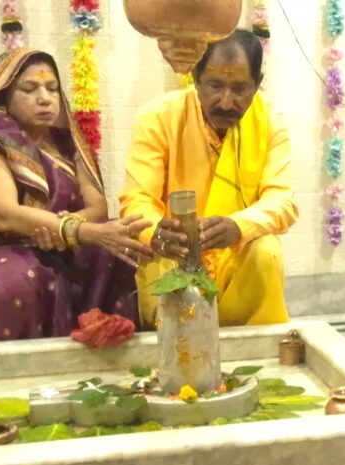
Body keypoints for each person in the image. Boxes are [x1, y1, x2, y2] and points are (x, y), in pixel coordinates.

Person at [0, 49, 151, 344]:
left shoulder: (66, 142)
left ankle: (107, 362)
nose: (44, 98)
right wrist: (71, 230)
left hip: (52, 241)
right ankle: (4, 369)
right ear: (4, 97)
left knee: (117, 253)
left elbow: (96, 205)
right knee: (15, 279)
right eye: (29, 89)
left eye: (52, 88)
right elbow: (4, 214)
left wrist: (64, 230)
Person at [120, 29, 297, 328]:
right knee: (156, 255)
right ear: (195, 77)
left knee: (267, 250)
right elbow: (137, 200)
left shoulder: (270, 121)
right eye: (215, 85)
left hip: (234, 256)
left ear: (258, 84)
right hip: (175, 253)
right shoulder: (158, 117)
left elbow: (282, 201)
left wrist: (238, 227)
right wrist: (158, 234)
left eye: (240, 88)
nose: (226, 102)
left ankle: (256, 347)